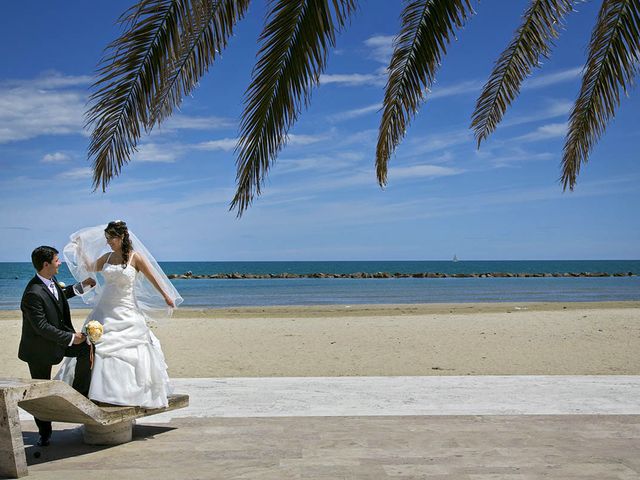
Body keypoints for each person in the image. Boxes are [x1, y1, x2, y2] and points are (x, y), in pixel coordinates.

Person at [55, 221, 182, 409]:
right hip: (104, 309)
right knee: (98, 346)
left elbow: (152, 277)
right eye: (106, 239)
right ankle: (96, 393)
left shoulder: (135, 258)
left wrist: (166, 296)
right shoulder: (106, 257)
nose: (108, 243)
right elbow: (89, 266)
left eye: (111, 238)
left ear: (121, 237)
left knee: (128, 350)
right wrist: (80, 248)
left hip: (127, 309)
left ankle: (126, 393)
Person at [19, 246, 96, 447]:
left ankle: (79, 394)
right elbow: (42, 327)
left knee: (87, 348)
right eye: (56, 260)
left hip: (58, 341)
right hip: (38, 351)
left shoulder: (49, 281)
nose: (59, 263)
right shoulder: (32, 293)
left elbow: (60, 295)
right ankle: (44, 432)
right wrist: (71, 338)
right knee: (41, 392)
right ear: (46, 265)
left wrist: (83, 286)